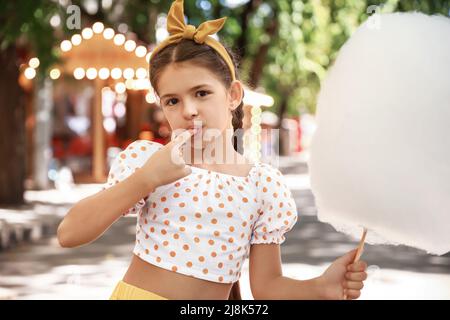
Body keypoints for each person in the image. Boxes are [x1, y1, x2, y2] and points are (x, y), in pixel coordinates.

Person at [57, 0, 367, 300]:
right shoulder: (148, 161)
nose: (189, 110)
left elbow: (267, 287)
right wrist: (145, 179)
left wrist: (321, 288)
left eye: (202, 93)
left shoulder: (262, 186)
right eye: (172, 100)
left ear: (232, 95)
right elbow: (69, 233)